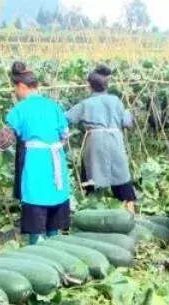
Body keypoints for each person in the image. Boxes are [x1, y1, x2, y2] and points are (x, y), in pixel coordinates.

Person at [0, 61, 71, 245]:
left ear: (22, 86)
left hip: (36, 162)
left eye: (15, 88)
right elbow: (65, 135)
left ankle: (37, 248)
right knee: (55, 205)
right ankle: (56, 247)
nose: (15, 93)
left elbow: (5, 138)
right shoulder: (53, 106)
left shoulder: (20, 109)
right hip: (56, 159)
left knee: (36, 203)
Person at [65, 65, 137, 214]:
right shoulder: (116, 100)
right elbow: (126, 122)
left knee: (90, 175)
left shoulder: (86, 104)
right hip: (114, 140)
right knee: (120, 175)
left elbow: (66, 117)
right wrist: (128, 113)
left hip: (94, 141)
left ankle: (90, 210)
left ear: (90, 86)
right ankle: (130, 213)